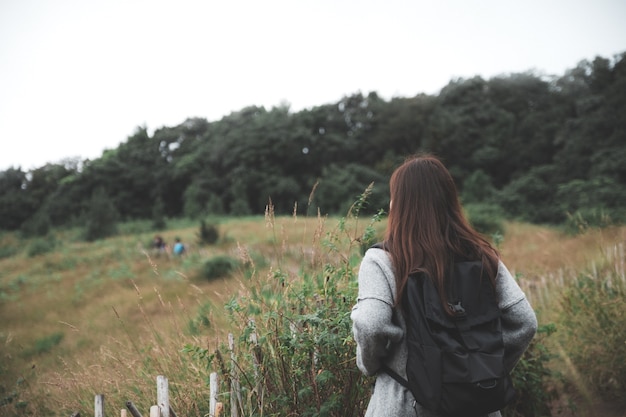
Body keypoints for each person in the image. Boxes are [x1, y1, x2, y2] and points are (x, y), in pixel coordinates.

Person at [350, 154, 538, 417]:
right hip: (476, 405)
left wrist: (369, 364)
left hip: (405, 403)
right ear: (449, 201)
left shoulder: (383, 260)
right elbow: (525, 322)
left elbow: (370, 324)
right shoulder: (482, 256)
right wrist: (482, 367)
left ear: (399, 204)